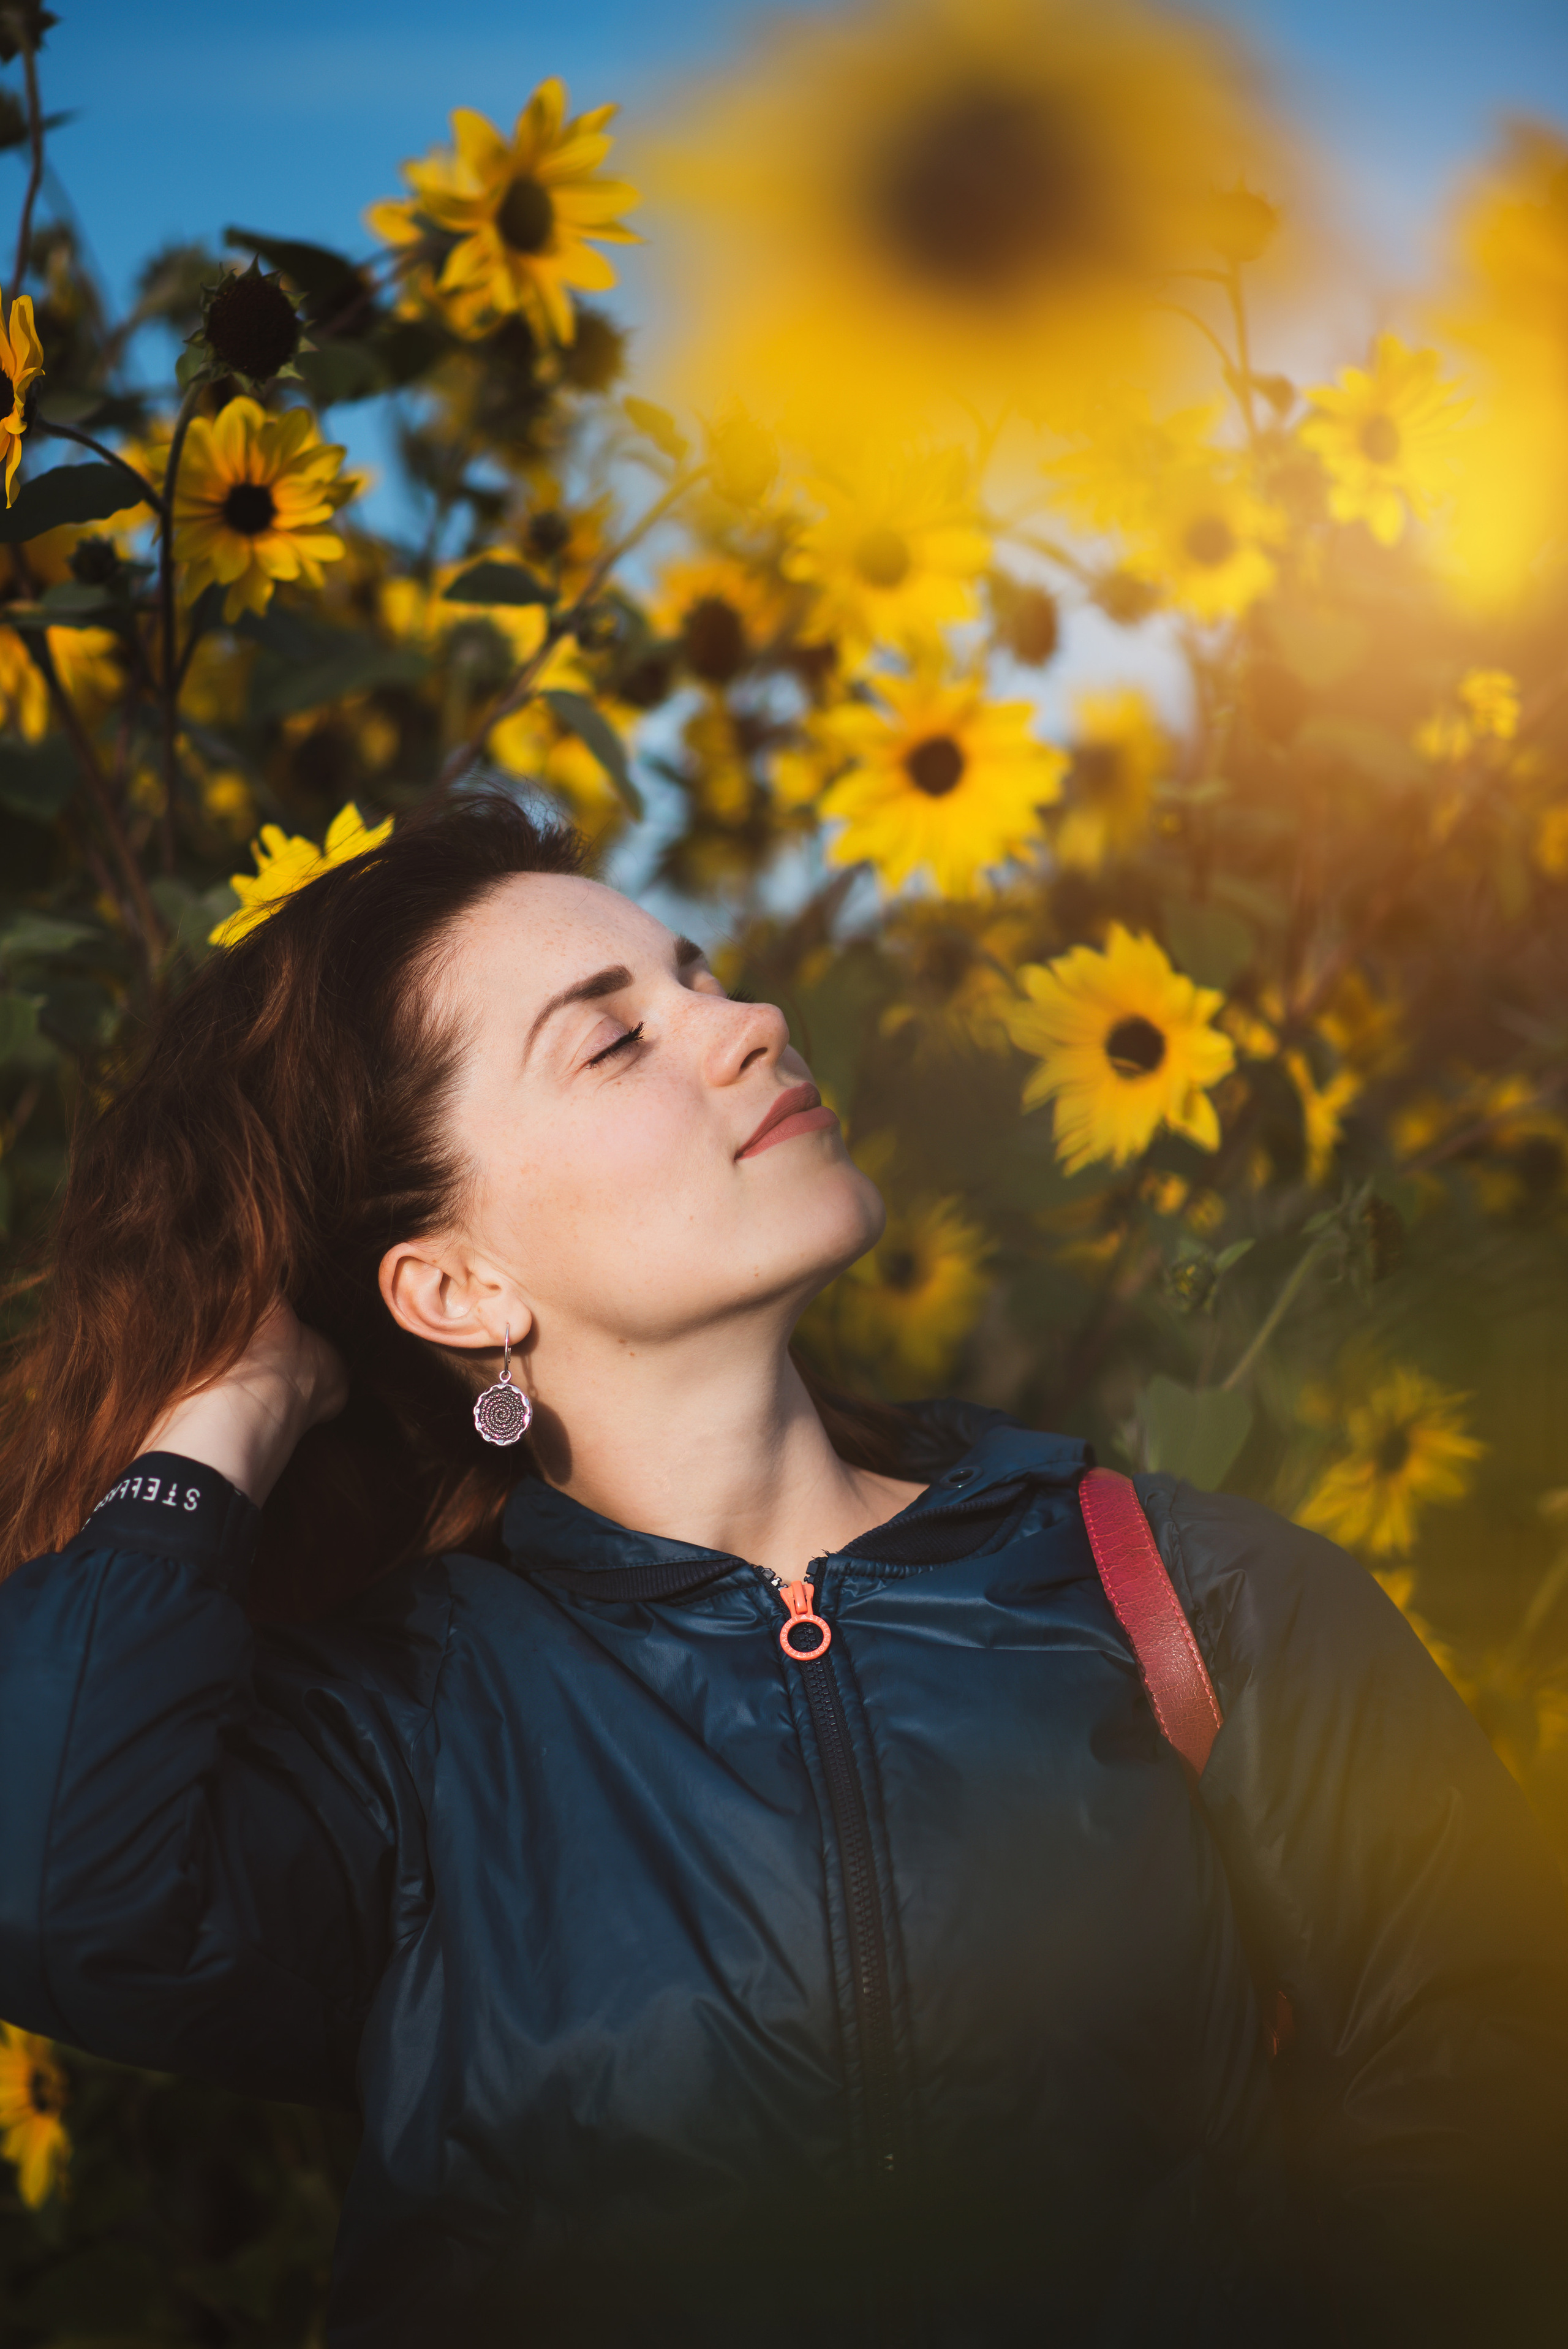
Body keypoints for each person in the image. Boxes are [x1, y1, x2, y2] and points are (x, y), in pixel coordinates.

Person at [0, 793, 1564, 2348]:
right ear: (456, 1288)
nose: (749, 1021)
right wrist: (235, 1402)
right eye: (613, 1040)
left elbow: (1488, 2126)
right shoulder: (407, 1730)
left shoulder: (1193, 1599)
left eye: (702, 976)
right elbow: (58, 1888)